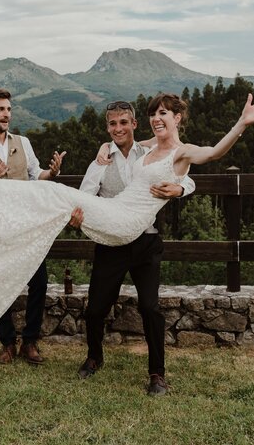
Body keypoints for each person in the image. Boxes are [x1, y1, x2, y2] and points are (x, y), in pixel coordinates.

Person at [0, 92, 254, 351]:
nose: (156, 119)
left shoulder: (178, 151)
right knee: (55, 199)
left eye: (162, 114)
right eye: (154, 114)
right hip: (112, 222)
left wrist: (241, 125)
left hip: (131, 225)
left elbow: (212, 154)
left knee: (56, 194)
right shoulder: (145, 149)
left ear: (176, 118)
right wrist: (103, 148)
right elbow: (127, 149)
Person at [68, 100, 195, 396]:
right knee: (96, 307)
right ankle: (94, 357)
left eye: (124, 123)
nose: (118, 129)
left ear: (134, 125)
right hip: (111, 244)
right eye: (112, 124)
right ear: (107, 128)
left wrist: (180, 189)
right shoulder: (99, 162)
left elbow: (186, 178)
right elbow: (84, 199)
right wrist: (76, 218)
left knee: (150, 306)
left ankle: (157, 374)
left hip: (146, 242)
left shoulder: (151, 152)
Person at [0, 88, 66, 365]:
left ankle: (30, 342)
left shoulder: (23, 142)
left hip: (26, 226)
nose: (6, 114)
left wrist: (51, 173)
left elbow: (35, 176)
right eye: (0, 109)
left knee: (38, 282)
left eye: (8, 109)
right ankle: (7, 342)